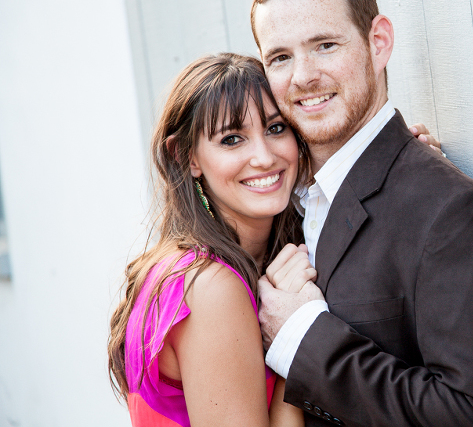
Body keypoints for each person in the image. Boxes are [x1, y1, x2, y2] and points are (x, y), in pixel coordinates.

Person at [252, 0, 473, 427]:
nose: (302, 76)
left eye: (325, 45)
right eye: (280, 57)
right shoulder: (282, 201)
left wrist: (303, 339)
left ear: (378, 43)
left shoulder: (452, 213)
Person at [107, 53, 439, 426]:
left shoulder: (207, 263)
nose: (264, 157)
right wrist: (292, 340)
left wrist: (403, 173)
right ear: (186, 156)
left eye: (276, 129)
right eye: (232, 139)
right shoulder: (211, 286)